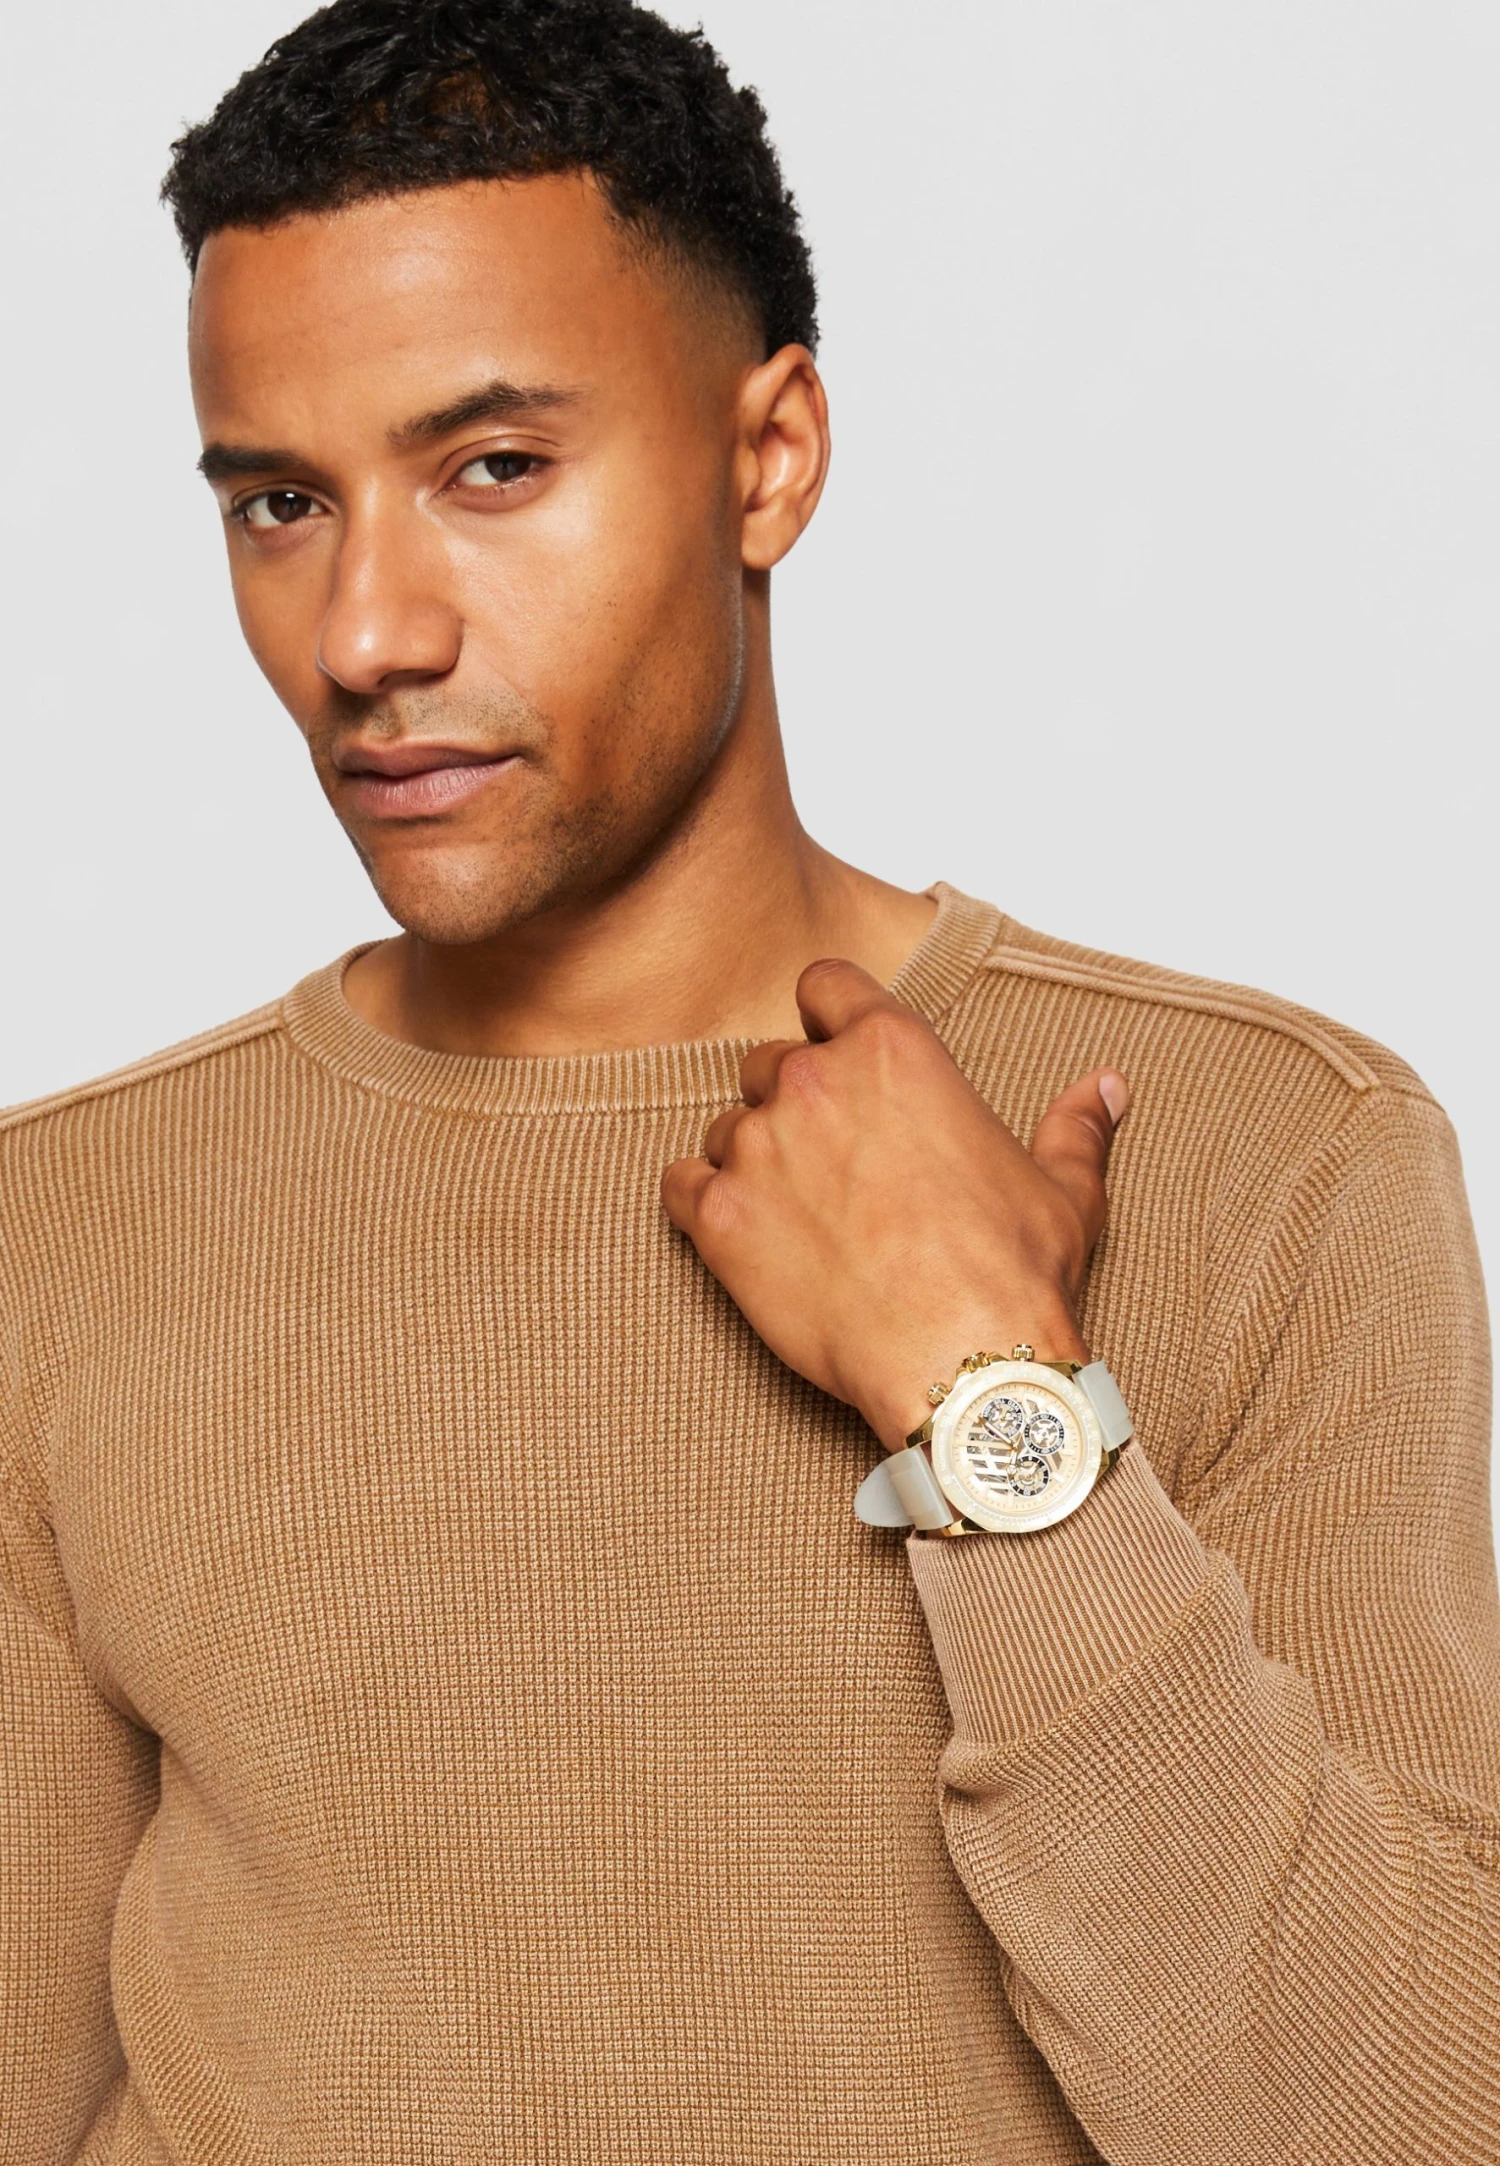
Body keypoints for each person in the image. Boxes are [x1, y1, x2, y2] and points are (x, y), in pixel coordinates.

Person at [2, 0, 1496, 2158]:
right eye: (281, 503)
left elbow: (1394, 2123)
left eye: (492, 470)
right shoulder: (62, 1231)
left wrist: (993, 1403)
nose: (363, 633)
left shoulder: (1281, 1160)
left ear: (770, 454)